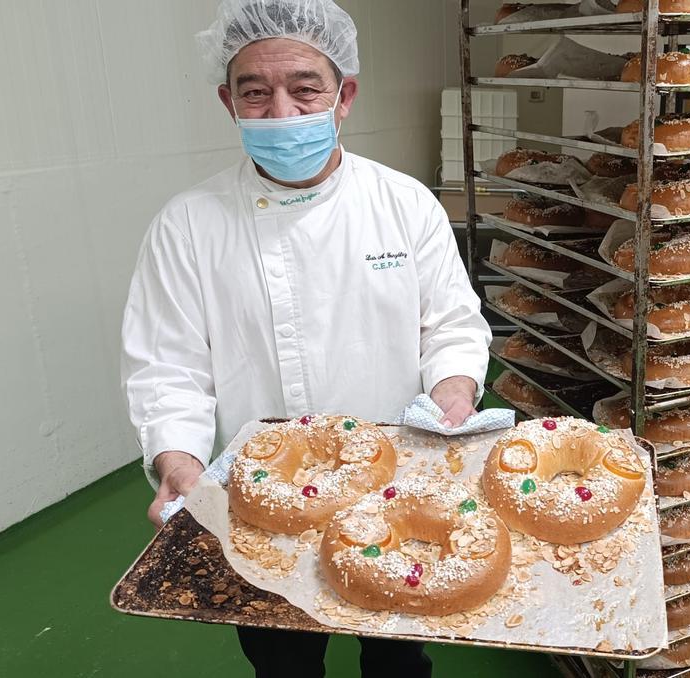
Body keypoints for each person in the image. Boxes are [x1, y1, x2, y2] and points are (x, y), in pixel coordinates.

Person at [119, 1, 491, 676]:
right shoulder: (188, 226)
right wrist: (180, 465)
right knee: (282, 660)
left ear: (344, 95)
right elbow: (168, 367)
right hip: (263, 505)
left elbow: (452, 325)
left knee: (397, 658)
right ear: (227, 102)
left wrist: (454, 391)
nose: (282, 113)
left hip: (396, 492)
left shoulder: (403, 204)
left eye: (304, 88)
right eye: (255, 94)